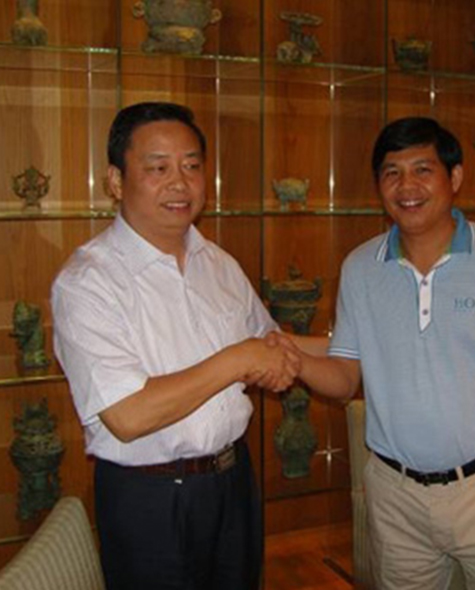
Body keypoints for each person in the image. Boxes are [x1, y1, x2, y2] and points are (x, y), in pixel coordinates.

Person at [277, 117, 475, 589]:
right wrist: (287, 356)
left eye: (423, 170)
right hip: (396, 495)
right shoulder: (361, 267)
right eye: (392, 173)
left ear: (455, 177)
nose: (407, 186)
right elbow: (344, 377)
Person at [51, 102, 300, 590]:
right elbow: (128, 415)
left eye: (191, 166)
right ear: (116, 181)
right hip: (150, 498)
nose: (180, 183)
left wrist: (340, 349)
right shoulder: (87, 282)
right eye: (158, 168)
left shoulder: (219, 263)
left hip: (233, 480)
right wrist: (239, 359)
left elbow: (268, 343)